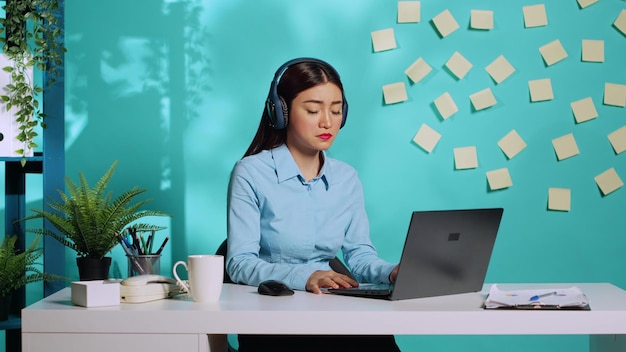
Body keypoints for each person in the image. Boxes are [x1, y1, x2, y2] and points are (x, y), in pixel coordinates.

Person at [226, 57, 401, 352]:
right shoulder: (251, 172)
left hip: (331, 308)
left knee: (380, 340)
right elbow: (239, 263)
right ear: (281, 112)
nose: (327, 122)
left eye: (335, 110)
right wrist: (306, 276)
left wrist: (393, 271)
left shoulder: (346, 178)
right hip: (272, 313)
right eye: (312, 109)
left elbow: (359, 256)